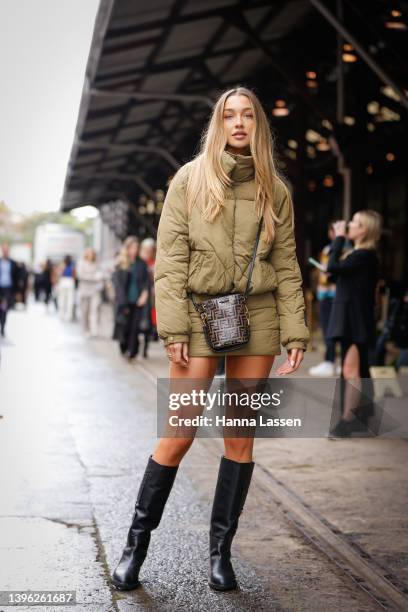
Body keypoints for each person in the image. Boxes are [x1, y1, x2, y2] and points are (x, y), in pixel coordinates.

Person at [111, 87, 310, 592]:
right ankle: (135, 547)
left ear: (258, 125)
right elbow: (172, 259)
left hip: (258, 318)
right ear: (217, 124)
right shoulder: (190, 179)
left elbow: (286, 265)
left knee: (239, 438)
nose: (238, 123)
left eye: (247, 116)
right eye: (229, 115)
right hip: (200, 316)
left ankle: (220, 554)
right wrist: (173, 325)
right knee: (179, 434)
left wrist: (295, 329)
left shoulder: (275, 189)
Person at [326, 210, 382, 436]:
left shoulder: (365, 255)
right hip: (351, 317)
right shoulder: (357, 254)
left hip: (355, 319)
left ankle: (348, 419)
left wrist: (338, 238)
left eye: (355, 222)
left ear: (364, 230)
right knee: (355, 369)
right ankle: (361, 415)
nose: (348, 224)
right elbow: (335, 274)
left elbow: (332, 267)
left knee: (351, 370)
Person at [112, 237, 149, 360]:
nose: (134, 250)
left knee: (135, 328)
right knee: (125, 327)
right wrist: (123, 302)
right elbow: (118, 285)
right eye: (132, 247)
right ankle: (124, 348)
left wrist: (144, 295)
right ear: (127, 248)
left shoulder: (141, 264)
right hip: (124, 301)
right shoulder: (121, 264)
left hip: (138, 301)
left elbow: (146, 282)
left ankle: (132, 353)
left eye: (136, 248)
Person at [309, 222, 337, 376]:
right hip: (327, 293)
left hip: (331, 294)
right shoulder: (330, 248)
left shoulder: (336, 248)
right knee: (329, 328)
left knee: (329, 329)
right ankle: (330, 360)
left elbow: (329, 272)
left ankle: (330, 361)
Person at [77, 248, 104, 338]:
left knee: (95, 310)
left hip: (95, 291)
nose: (91, 255)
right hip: (84, 291)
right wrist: (94, 277)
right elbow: (81, 275)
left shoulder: (97, 264)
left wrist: (96, 277)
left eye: (93, 254)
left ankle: (94, 330)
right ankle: (85, 329)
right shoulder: (81, 263)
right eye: (89, 253)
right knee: (85, 311)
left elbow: (101, 275)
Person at [139, 238, 156, 357]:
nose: (148, 252)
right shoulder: (140, 262)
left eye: (150, 250)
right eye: (146, 250)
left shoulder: (155, 262)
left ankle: (146, 346)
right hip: (141, 295)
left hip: (152, 295)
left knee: (148, 320)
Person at [0, 244, 19, 336]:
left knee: (4, 309)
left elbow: (17, 277)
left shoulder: (13, 263)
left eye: (7, 250)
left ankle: (2, 326)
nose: (5, 252)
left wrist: (17, 291)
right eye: (4, 250)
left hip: (7, 289)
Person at [57, 255, 76, 322]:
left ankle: (61, 314)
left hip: (63, 281)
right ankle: (68, 316)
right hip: (70, 281)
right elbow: (74, 275)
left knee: (62, 299)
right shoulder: (72, 265)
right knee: (69, 300)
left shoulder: (62, 265)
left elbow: (59, 273)